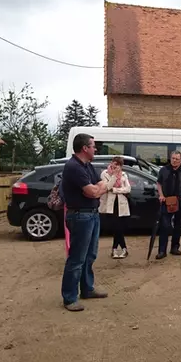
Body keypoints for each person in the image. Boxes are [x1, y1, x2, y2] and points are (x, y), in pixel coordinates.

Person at [61, 133, 109, 311]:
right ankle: (69, 297)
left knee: (90, 255)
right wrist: (98, 188)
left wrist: (98, 188)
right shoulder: (74, 167)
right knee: (77, 259)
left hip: (92, 214)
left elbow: (100, 185)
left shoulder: (87, 165)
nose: (95, 149)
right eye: (93, 146)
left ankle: (87, 289)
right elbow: (95, 192)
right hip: (80, 216)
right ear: (85, 148)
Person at [156, 150, 181, 259]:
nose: (174, 160)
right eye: (173, 158)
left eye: (177, 159)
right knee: (165, 226)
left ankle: (175, 248)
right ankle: (162, 251)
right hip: (166, 201)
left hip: (180, 202)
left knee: (177, 226)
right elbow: (159, 183)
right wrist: (161, 195)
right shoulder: (164, 170)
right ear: (170, 158)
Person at [100, 156, 131, 259]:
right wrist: (113, 176)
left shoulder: (123, 174)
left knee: (119, 227)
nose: (115, 166)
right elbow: (107, 187)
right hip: (110, 204)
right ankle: (122, 249)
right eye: (114, 163)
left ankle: (117, 249)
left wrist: (116, 190)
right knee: (115, 227)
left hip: (121, 204)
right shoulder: (105, 173)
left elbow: (128, 189)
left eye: (118, 165)